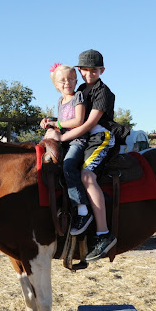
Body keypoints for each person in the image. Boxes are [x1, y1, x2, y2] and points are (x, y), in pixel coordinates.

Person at [46, 50, 117, 262]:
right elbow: (69, 116)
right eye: (84, 70)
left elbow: (87, 124)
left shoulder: (103, 92)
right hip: (81, 137)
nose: (89, 73)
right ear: (79, 71)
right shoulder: (79, 90)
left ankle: (103, 233)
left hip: (100, 137)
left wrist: (61, 136)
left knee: (87, 176)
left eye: (93, 70)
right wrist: (52, 122)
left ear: (102, 70)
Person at [40, 63, 93, 236]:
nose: (67, 83)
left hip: (77, 140)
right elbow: (61, 121)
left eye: (71, 79)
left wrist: (56, 124)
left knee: (69, 165)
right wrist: (49, 122)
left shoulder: (78, 96)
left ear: (76, 81)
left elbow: (78, 120)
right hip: (65, 141)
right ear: (56, 85)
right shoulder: (60, 101)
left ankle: (83, 209)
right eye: (62, 80)